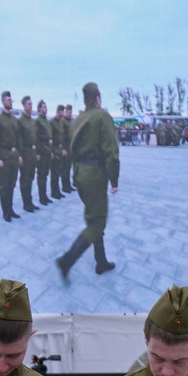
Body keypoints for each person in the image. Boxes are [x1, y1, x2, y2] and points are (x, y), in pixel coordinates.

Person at [55, 82, 122, 282]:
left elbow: (70, 150)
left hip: (80, 174)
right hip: (95, 175)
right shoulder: (102, 116)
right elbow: (112, 153)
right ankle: (66, 260)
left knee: (94, 217)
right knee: (96, 223)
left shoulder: (78, 120)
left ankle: (100, 261)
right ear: (98, 98)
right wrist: (114, 180)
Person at [0, 91, 22, 223]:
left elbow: (19, 139)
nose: (10, 102)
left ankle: (10, 209)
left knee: (12, 184)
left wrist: (19, 155)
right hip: (4, 156)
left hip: (14, 156)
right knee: (4, 186)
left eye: (11, 100)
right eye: (8, 100)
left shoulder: (15, 120)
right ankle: (6, 212)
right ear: (3, 101)